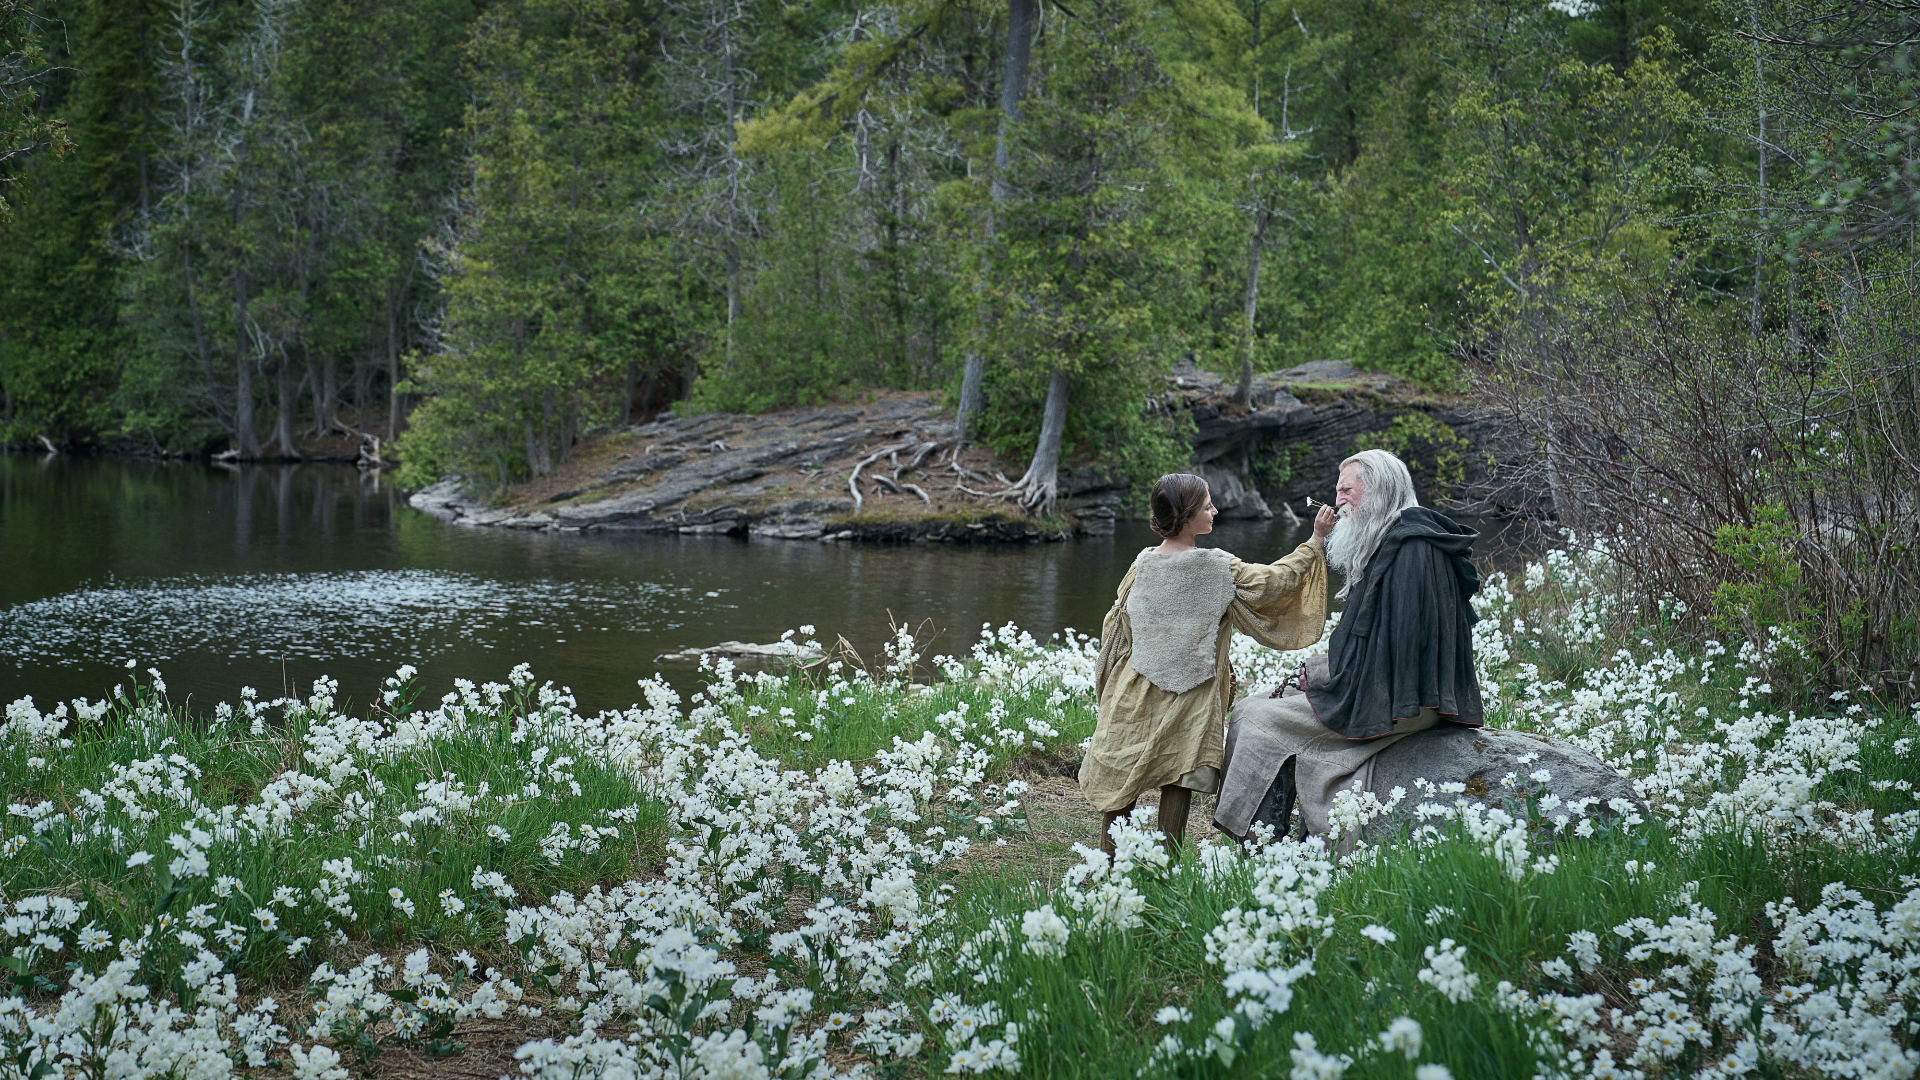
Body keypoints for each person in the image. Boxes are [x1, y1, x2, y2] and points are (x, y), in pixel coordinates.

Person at [1212, 448, 1484, 846]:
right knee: (1285, 694)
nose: (1337, 502)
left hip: (1399, 707)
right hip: (1399, 695)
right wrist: (1324, 671)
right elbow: (1384, 645)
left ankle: (1261, 844)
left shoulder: (1409, 552)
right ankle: (1277, 839)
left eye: (1345, 491)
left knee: (1253, 717)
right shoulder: (1404, 540)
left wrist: (1330, 678)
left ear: (1379, 491)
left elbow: (1400, 656)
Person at [1080, 472, 1336, 859]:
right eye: (1206, 506)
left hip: (1133, 686)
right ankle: (1164, 866)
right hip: (1192, 689)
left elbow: (1119, 630)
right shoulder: (1218, 567)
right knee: (1179, 776)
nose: (1214, 510)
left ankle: (1110, 864)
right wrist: (1315, 541)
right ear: (1186, 516)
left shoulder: (1141, 563)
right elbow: (1276, 582)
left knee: (1123, 771)